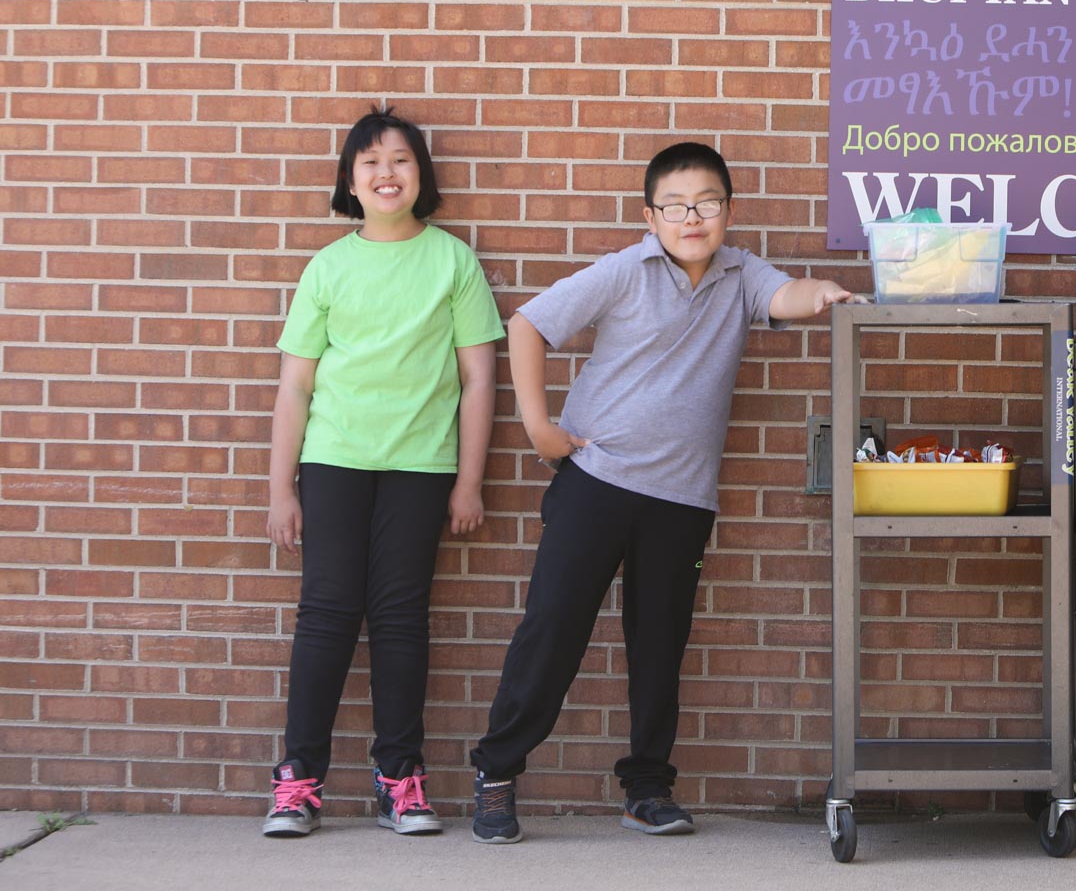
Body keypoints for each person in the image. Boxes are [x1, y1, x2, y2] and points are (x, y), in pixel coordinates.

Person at [466, 141, 852, 844]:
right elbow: (527, 324)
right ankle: (496, 773)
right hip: (597, 482)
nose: (692, 216)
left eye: (706, 202)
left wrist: (819, 292)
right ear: (652, 216)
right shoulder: (625, 270)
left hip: (681, 500)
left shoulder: (740, 273)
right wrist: (538, 427)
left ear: (726, 210)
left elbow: (786, 296)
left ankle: (647, 788)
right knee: (552, 631)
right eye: (675, 205)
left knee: (659, 646)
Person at [261, 109, 503, 838]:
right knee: (327, 616)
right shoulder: (328, 267)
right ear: (349, 180)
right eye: (369, 162)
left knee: (400, 620)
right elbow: (295, 386)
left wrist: (468, 480)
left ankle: (401, 779)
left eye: (401, 159)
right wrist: (280, 489)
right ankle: (298, 782)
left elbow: (480, 379)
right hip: (333, 459)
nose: (386, 172)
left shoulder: (453, 261)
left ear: (421, 176)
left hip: (420, 465)